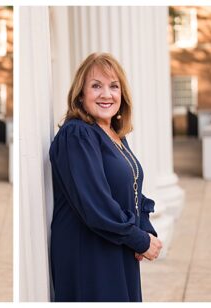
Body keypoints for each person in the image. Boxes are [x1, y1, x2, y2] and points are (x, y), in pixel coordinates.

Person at [48, 52, 164, 302]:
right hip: (90, 252)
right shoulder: (77, 135)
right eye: (96, 86)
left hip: (115, 244)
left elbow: (130, 186)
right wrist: (138, 239)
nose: (106, 94)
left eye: (114, 86)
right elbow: (96, 203)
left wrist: (145, 227)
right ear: (81, 94)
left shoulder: (114, 134)